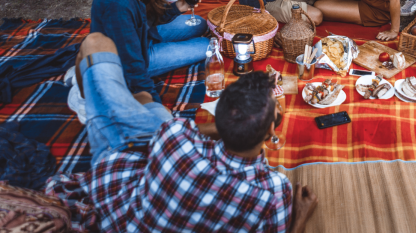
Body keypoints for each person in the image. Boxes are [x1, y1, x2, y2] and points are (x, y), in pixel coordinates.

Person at [47, 32, 318, 232]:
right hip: (128, 152)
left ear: (219, 117)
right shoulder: (273, 191)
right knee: (143, 100)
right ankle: (94, 104)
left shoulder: (177, 138)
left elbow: (175, 131)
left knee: (136, 90)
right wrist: (302, 215)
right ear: (272, 128)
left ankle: (97, 102)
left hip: (122, 170)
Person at [89, 0, 209, 104]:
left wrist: (177, 8)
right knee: (207, 46)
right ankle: (162, 50)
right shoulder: (116, 6)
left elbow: (147, 19)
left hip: (145, 36)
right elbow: (131, 63)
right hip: (138, 55)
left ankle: (163, 45)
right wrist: (154, 106)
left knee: (200, 24)